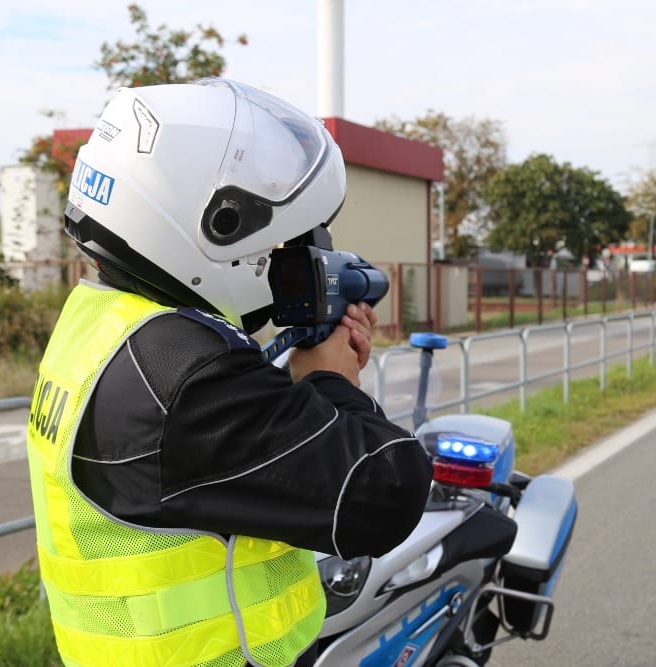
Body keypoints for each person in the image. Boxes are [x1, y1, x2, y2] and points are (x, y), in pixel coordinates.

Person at [26, 78, 433, 667]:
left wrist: (298, 383)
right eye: (287, 241)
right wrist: (331, 381)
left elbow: (212, 465)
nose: (293, 254)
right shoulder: (187, 376)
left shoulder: (104, 327)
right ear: (219, 222)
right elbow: (381, 493)